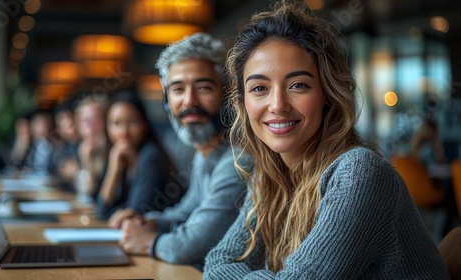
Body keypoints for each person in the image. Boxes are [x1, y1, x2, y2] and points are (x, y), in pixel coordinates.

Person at [204, 1, 449, 279]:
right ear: (243, 103)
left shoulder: (359, 172)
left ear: (327, 95)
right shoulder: (269, 177)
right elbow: (216, 263)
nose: (278, 104)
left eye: (298, 85)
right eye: (259, 88)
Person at [108, 33, 249, 270]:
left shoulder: (239, 158)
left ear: (226, 95)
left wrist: (150, 242)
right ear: (166, 99)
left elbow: (193, 243)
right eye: (178, 89)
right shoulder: (205, 153)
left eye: (203, 87)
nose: (189, 101)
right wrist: (147, 221)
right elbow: (186, 211)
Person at [96, 89, 182, 219]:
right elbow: (101, 210)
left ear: (144, 124)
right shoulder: (117, 155)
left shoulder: (151, 156)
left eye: (132, 122)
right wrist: (114, 170)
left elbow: (134, 213)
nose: (123, 131)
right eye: (116, 124)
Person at [74, 93, 110, 201]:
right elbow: (83, 194)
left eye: (97, 120)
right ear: (78, 125)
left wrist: (87, 163)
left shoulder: (111, 152)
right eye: (86, 121)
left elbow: (93, 194)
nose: (91, 126)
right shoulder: (81, 148)